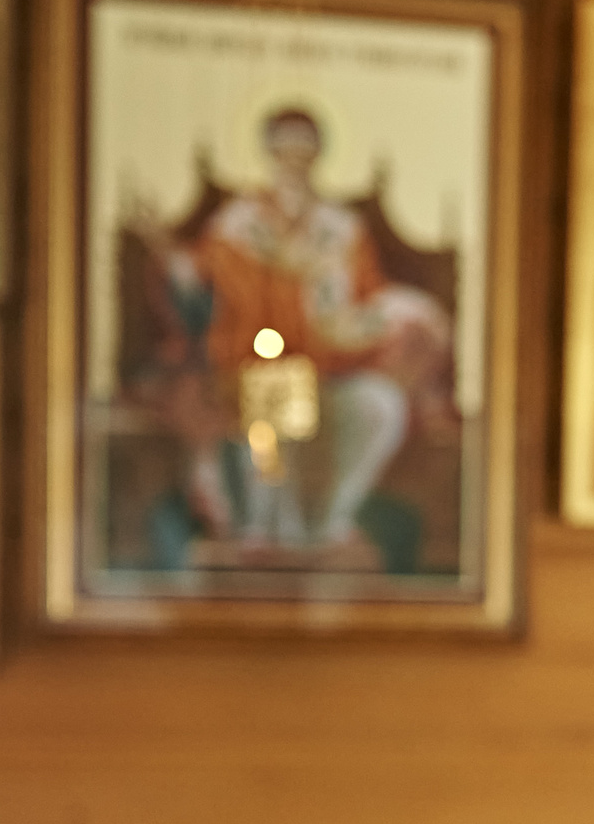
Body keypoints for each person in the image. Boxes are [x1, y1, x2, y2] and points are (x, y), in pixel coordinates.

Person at [137, 106, 450, 552]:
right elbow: (202, 285)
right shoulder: (238, 226)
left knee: (378, 406)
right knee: (274, 402)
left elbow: (367, 300)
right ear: (270, 155)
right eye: (284, 151)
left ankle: (328, 526)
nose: (293, 162)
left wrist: (392, 317)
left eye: (303, 152)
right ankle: (261, 534)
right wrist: (168, 255)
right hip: (252, 368)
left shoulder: (342, 231)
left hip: (330, 374)